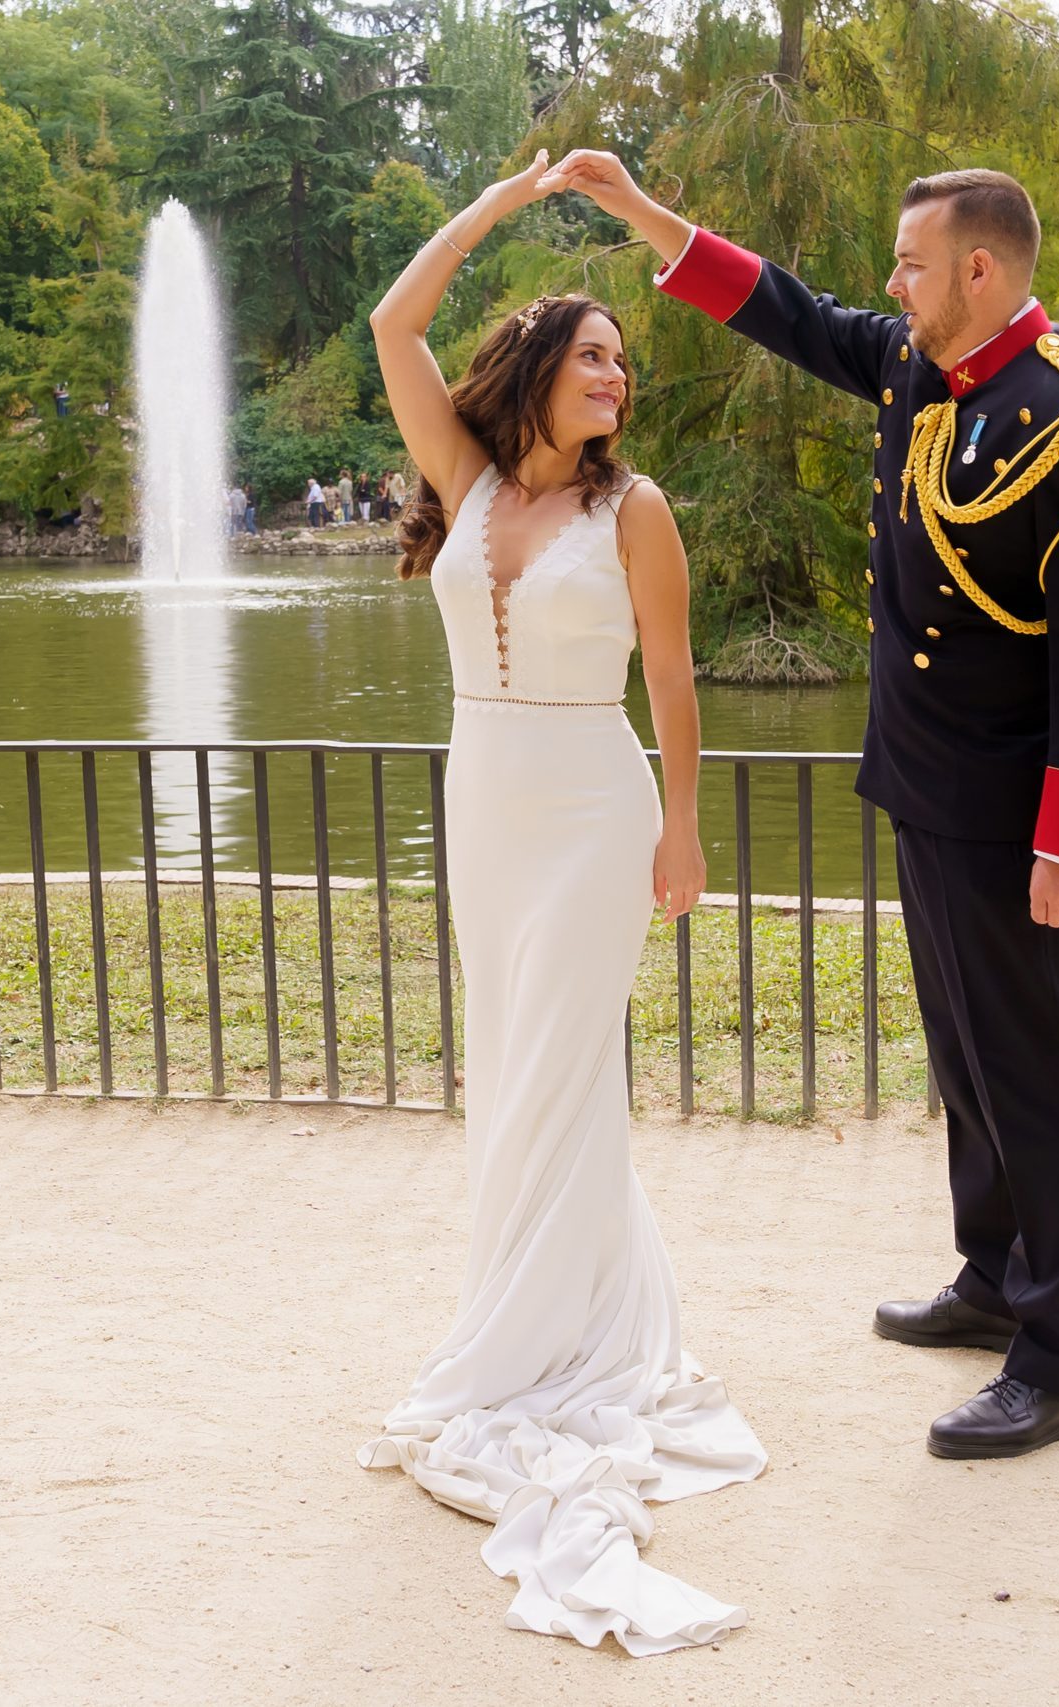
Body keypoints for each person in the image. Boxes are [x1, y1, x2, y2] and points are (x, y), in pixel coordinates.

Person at [551, 148, 1059, 1461]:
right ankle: (997, 1278)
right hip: (927, 780)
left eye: (912, 264)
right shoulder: (917, 366)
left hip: (1015, 813)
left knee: (1042, 1069)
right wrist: (645, 215)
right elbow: (793, 314)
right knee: (967, 1052)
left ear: (981, 272)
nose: (891, 284)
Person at [357, 148, 765, 1657]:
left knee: (563, 1069)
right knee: (509, 1066)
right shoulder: (464, 483)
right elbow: (395, 329)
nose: (615, 375)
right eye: (594, 351)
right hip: (485, 802)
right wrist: (508, 210)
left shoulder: (637, 510)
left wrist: (685, 833)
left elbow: (672, 680)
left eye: (623, 361)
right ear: (535, 366)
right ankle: (542, 1309)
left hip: (597, 811)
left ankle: (545, 1350)